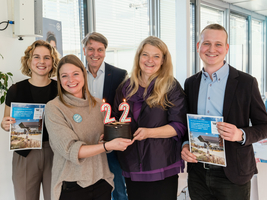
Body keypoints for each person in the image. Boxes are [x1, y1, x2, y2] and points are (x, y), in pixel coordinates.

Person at [181, 23, 267, 200]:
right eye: (206, 43)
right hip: (198, 172)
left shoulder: (246, 82)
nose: (212, 49)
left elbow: (264, 125)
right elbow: (185, 124)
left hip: (233, 173)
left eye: (218, 44)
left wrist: (241, 134)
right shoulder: (190, 83)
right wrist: (184, 145)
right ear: (198, 47)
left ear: (226, 48)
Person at [45, 54, 133, 200]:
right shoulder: (54, 108)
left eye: (75, 74)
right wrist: (106, 146)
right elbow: (71, 150)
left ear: (84, 75)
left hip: (101, 182)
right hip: (71, 185)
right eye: (64, 76)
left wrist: (108, 142)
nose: (71, 80)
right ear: (59, 80)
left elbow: (105, 140)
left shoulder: (99, 105)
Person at [113, 36, 188, 200]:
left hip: (162, 163)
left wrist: (149, 133)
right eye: (145, 55)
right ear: (138, 57)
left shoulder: (171, 86)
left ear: (163, 61)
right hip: (132, 163)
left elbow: (179, 126)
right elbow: (117, 120)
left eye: (156, 56)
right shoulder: (125, 88)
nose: (150, 60)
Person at [1, 40, 60, 200]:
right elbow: (5, 122)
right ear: (28, 60)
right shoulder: (15, 90)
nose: (41, 62)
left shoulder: (60, 90)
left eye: (47, 57)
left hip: (55, 153)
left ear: (53, 61)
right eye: (36, 57)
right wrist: (5, 124)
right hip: (25, 152)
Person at [82, 32, 128, 200]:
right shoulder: (76, 74)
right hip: (85, 139)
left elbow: (122, 109)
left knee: (117, 187)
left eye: (100, 49)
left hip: (111, 138)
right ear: (84, 50)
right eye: (91, 49)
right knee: (89, 186)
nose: (95, 54)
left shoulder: (119, 75)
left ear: (105, 51)